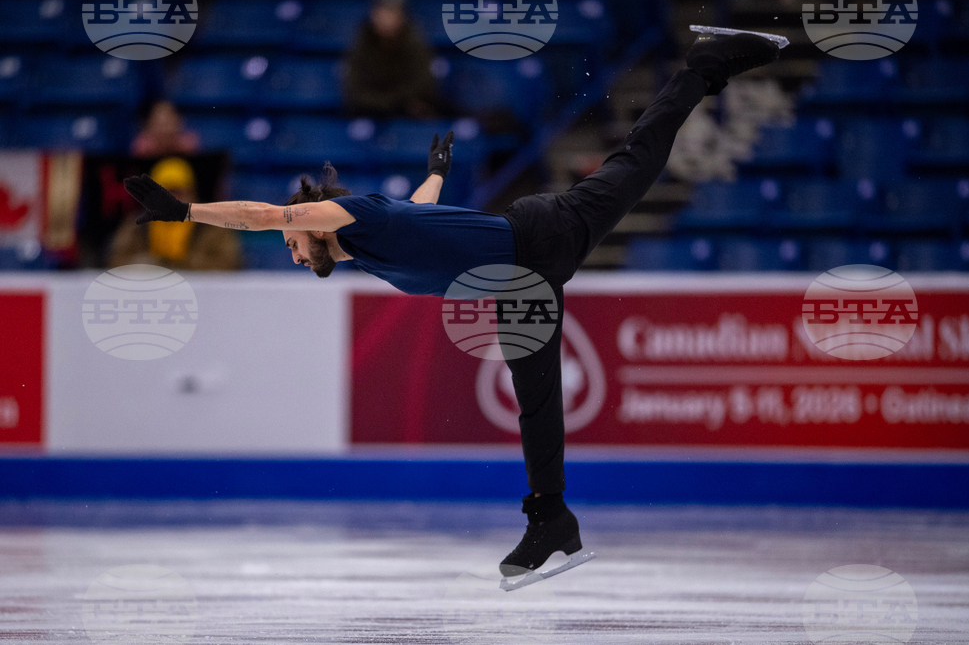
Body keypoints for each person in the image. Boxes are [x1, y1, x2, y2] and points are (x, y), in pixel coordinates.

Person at [123, 32, 780, 582]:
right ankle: (552, 521)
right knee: (537, 402)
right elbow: (421, 210)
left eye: (295, 243)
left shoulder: (355, 215)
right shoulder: (373, 246)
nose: (293, 252)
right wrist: (436, 169)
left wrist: (186, 210)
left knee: (637, 159)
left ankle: (701, 67)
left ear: (313, 220)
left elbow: (264, 215)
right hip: (520, 285)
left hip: (542, 235)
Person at [108, 157, 241, 270]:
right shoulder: (136, 226)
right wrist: (146, 264)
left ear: (192, 194)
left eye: (178, 192)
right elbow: (115, 261)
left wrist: (175, 263)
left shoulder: (213, 226)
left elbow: (229, 264)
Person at [343, 0, 438, 119]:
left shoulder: (415, 43)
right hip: (368, 111)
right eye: (383, 11)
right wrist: (382, 103)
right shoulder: (360, 42)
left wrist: (396, 102)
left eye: (393, 12)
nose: (387, 18)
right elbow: (354, 88)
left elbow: (421, 84)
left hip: (406, 113)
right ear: (373, 14)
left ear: (403, 16)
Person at [131, 100, 200, 158]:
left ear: (179, 122)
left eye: (168, 123)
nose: (164, 129)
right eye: (159, 124)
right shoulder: (142, 148)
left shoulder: (188, 146)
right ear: (149, 125)